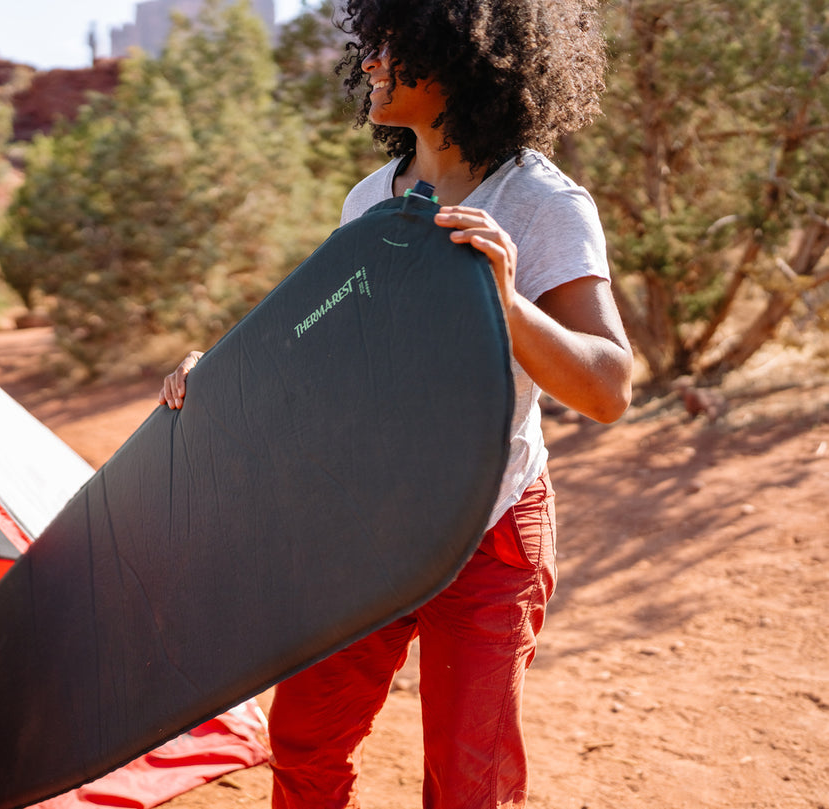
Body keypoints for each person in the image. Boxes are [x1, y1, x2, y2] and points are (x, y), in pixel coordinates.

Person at [159, 0, 633, 806]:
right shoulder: (369, 199)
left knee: (468, 778)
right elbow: (331, 357)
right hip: (364, 523)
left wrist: (508, 302)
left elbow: (610, 388)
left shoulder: (543, 203)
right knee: (306, 742)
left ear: (463, 54)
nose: (371, 62)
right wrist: (223, 375)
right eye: (371, 45)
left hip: (488, 532)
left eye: (392, 44)